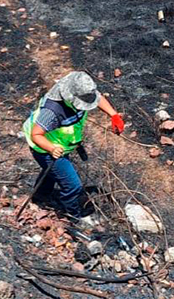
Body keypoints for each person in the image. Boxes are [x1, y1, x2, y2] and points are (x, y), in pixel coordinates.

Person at [22, 71, 124, 222]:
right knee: (73, 186)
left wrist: (113, 115)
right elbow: (36, 135)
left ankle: (41, 196)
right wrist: (51, 148)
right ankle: (73, 216)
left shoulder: (80, 88)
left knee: (53, 173)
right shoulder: (52, 111)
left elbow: (97, 96)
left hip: (62, 144)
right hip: (45, 148)